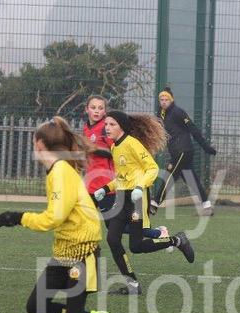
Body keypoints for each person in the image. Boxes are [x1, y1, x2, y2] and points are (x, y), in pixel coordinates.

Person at [0, 116, 131, 313]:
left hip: (82, 253)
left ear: (40, 144)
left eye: (34, 140)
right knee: (36, 306)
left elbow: (53, 218)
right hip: (64, 252)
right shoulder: (57, 169)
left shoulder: (61, 172)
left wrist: (17, 217)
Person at [92, 110, 195, 295]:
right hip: (122, 198)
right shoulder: (115, 147)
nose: (107, 127)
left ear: (122, 126)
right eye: (106, 124)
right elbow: (123, 177)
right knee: (112, 239)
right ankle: (133, 285)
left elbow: (152, 168)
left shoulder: (132, 143)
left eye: (112, 124)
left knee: (136, 246)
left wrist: (140, 187)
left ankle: (177, 241)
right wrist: (105, 189)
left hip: (137, 200)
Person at [83, 94, 168, 239]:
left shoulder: (106, 129)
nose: (96, 111)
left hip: (107, 184)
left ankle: (158, 233)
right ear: (86, 109)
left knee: (116, 227)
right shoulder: (87, 127)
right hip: (92, 185)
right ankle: (87, 250)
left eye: (100, 108)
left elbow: (114, 152)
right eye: (93, 107)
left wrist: (93, 149)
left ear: (105, 111)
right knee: (82, 219)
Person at [152, 87, 216, 216]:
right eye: (161, 99)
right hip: (177, 151)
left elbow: (193, 128)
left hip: (182, 150)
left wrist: (205, 147)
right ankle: (207, 206)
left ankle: (154, 204)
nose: (163, 102)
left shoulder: (178, 112)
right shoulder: (161, 114)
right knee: (191, 179)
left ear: (171, 100)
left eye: (166, 99)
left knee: (169, 176)